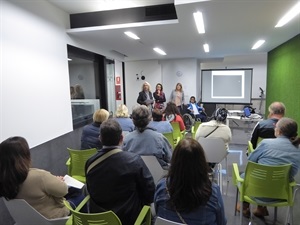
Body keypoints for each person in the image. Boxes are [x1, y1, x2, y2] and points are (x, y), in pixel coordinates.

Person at [85, 119, 155, 225]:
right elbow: (150, 191)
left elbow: (90, 190)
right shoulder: (134, 160)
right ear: (122, 138)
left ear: (100, 138)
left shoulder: (90, 163)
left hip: (99, 220)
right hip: (128, 219)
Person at [0, 136, 84, 219]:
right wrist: (59, 181)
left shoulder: (4, 181)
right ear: (24, 156)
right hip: (53, 217)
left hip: (29, 218)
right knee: (79, 194)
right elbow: (63, 190)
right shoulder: (39, 176)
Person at [154, 138, 227, 225]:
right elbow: (222, 222)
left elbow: (156, 211)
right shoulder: (213, 192)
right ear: (202, 163)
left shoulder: (162, 187)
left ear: (174, 162)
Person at [239, 117, 300, 218]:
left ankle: (245, 208)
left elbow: (251, 160)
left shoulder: (266, 143)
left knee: (244, 176)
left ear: (279, 131)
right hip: (283, 194)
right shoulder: (298, 149)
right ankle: (261, 209)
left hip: (255, 192)